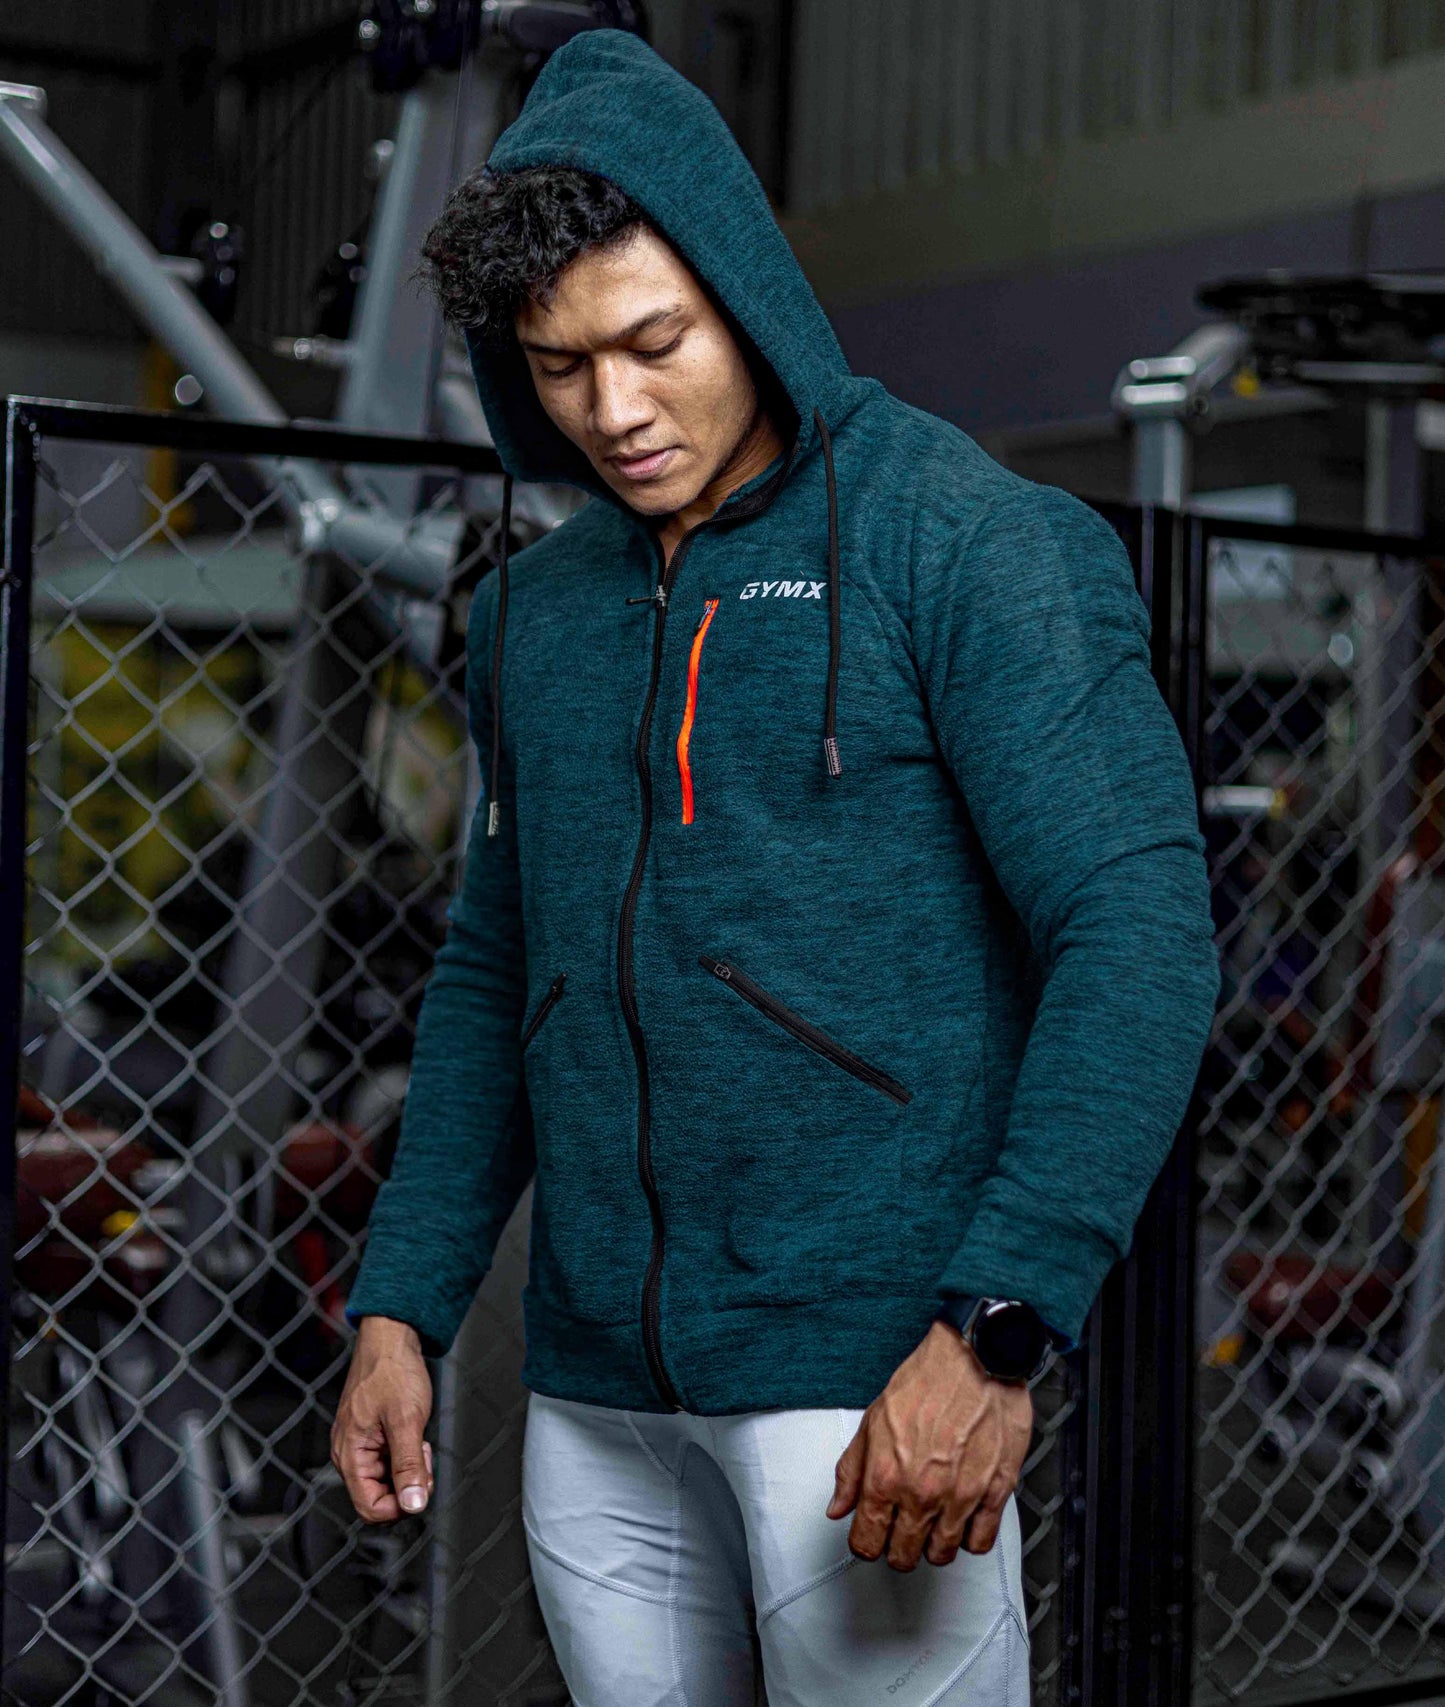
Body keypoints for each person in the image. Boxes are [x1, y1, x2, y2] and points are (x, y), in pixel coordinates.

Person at [330, 27, 1221, 1706]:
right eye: (557, 366)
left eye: (652, 342)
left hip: (874, 1369)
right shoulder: (535, 614)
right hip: (598, 1392)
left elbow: (1138, 936)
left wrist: (997, 1328)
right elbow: (497, 968)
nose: (612, 411)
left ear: (741, 292)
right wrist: (403, 1303)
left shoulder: (964, 543)